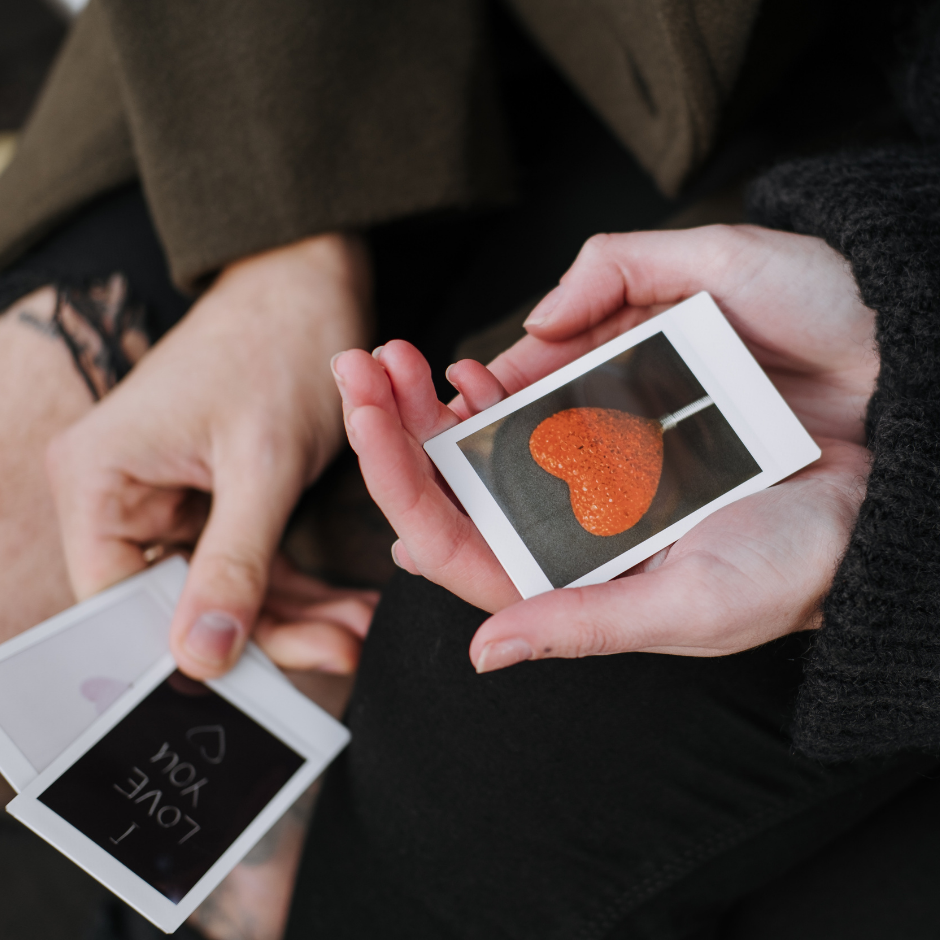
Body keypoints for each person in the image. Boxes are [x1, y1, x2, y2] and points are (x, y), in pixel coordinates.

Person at [0, 0, 937, 938]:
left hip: (880, 163)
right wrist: (282, 242)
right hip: (372, 47)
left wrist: (910, 375)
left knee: (476, 692)